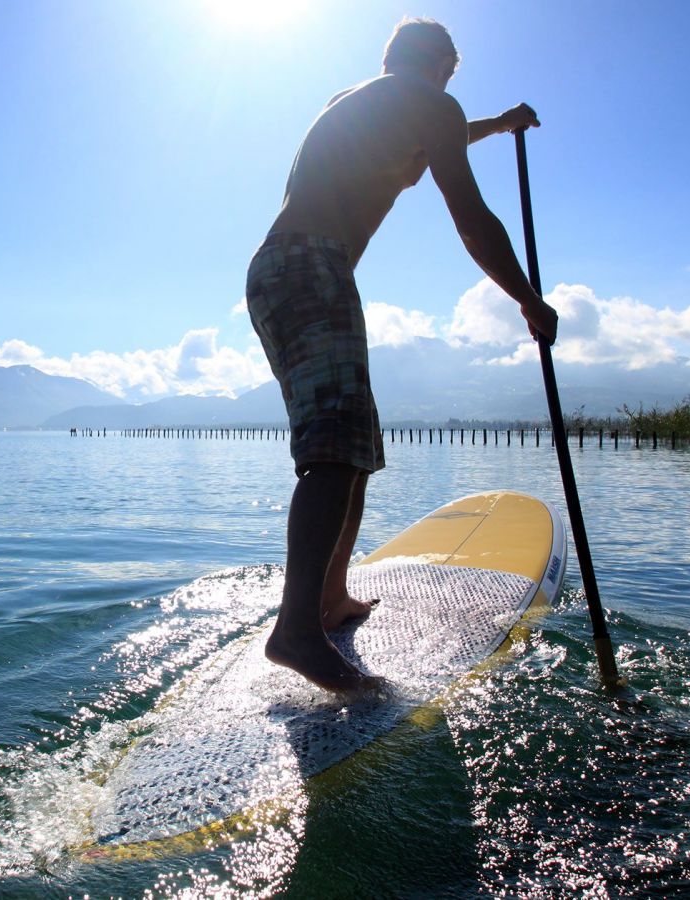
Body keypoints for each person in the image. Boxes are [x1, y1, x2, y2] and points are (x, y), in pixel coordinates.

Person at [246, 17, 559, 692]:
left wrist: (495, 125)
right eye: (453, 73)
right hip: (311, 267)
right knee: (334, 449)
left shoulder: (360, 102)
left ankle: (329, 601)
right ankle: (297, 628)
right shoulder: (431, 105)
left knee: (351, 445)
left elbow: (424, 142)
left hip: (281, 271)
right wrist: (528, 299)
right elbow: (473, 220)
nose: (453, 86)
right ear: (443, 64)